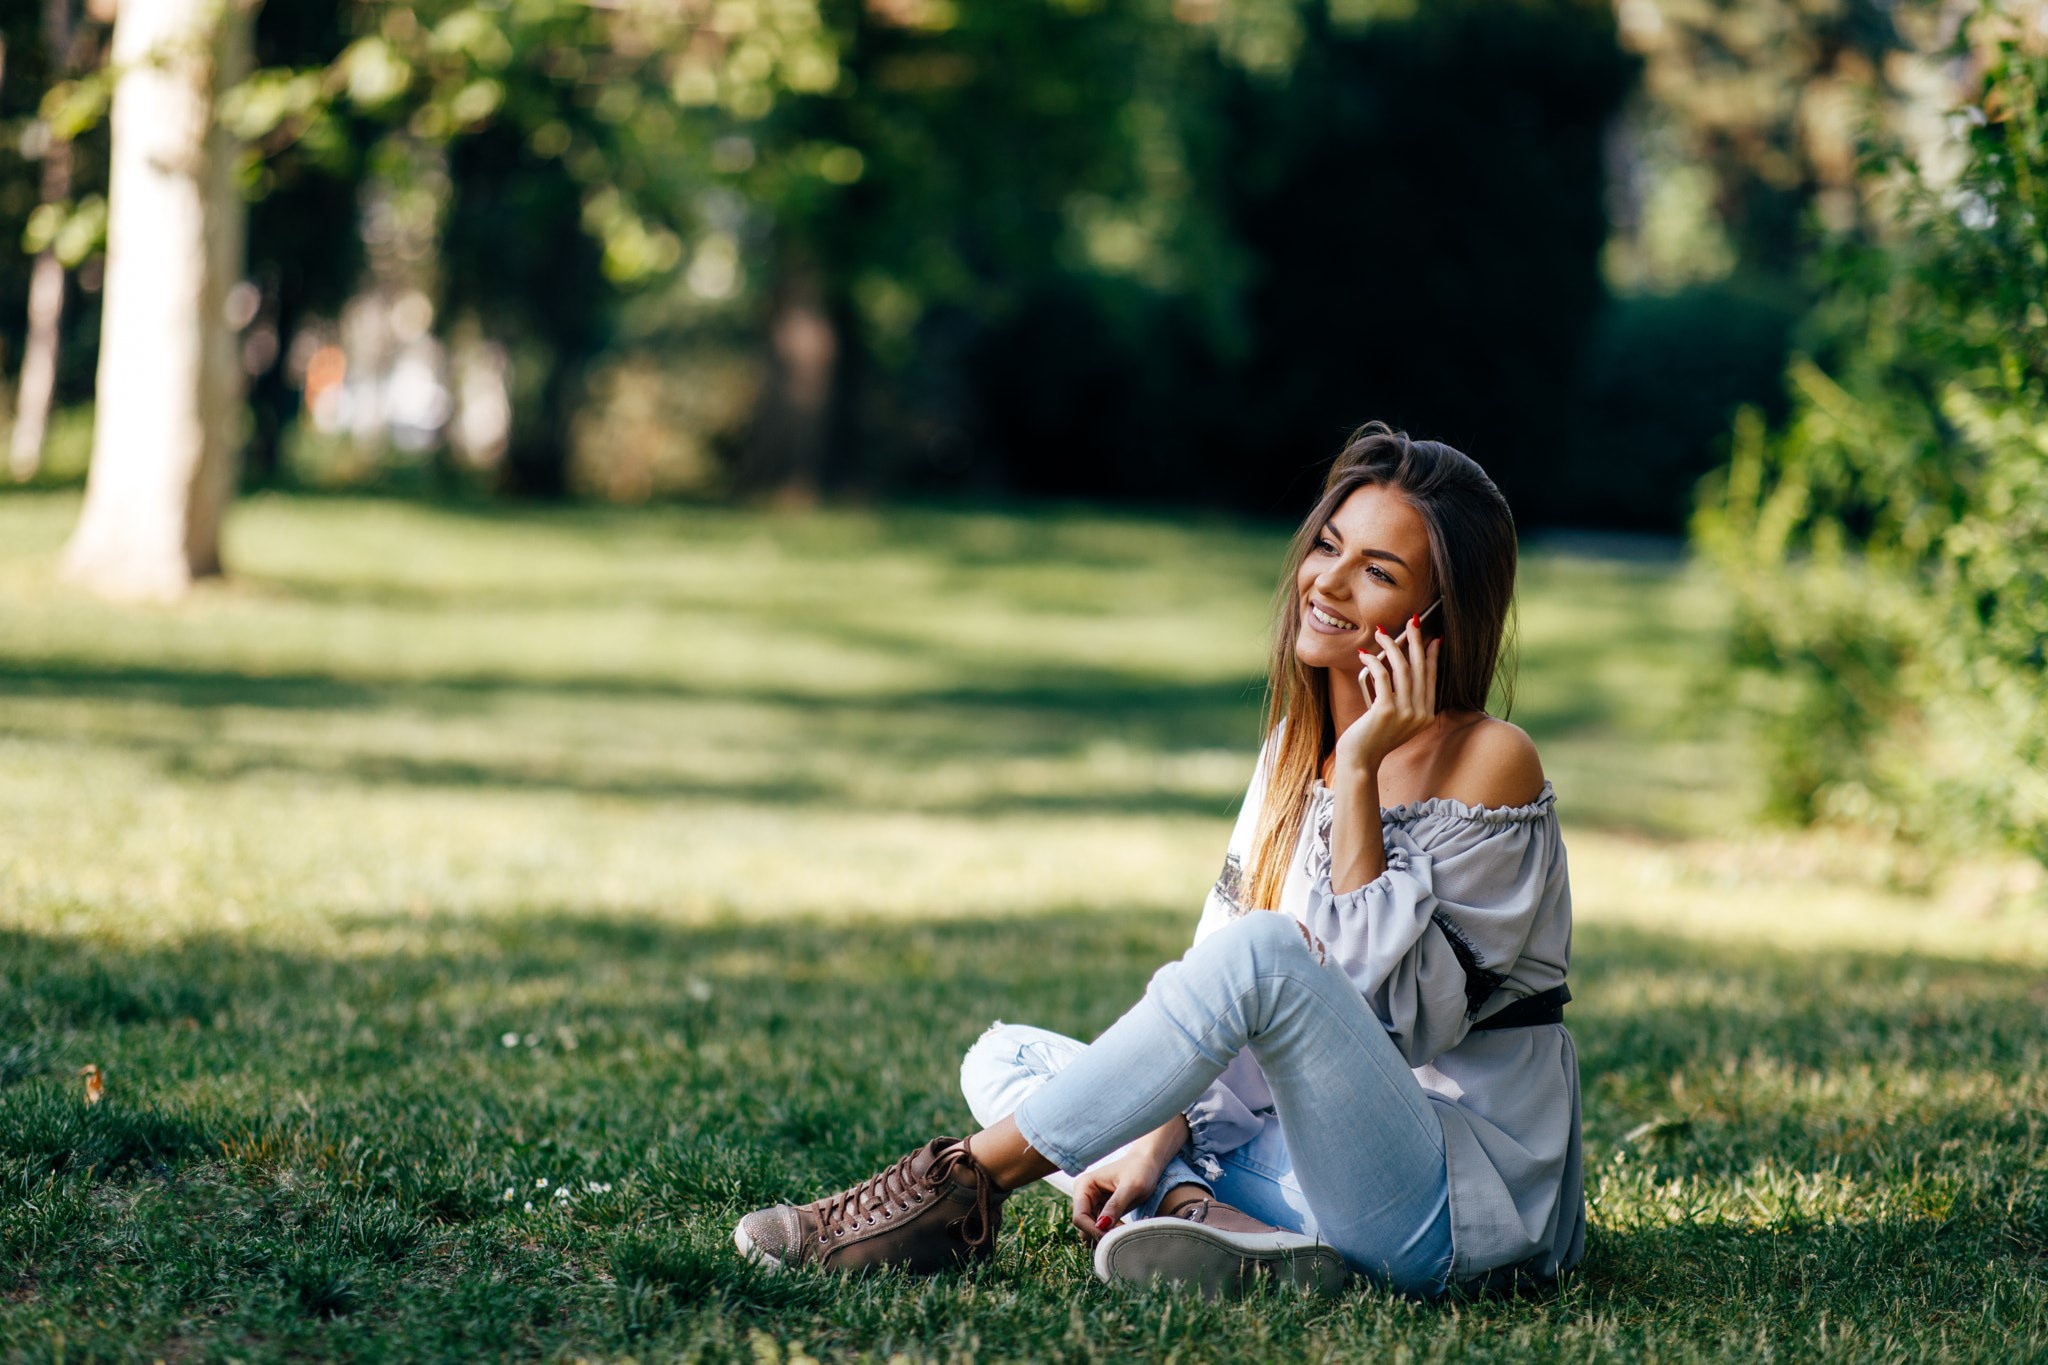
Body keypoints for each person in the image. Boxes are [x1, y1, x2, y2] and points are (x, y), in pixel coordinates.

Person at [733, 422, 1583, 1298]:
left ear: (1438, 617)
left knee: (1264, 955)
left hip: (1443, 1204)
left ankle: (953, 1189)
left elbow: (1388, 1017)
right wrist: (1162, 1129)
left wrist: (1364, 767)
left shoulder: (1491, 760)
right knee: (1004, 1058)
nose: (1325, 581)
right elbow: (1211, 982)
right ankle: (1209, 1218)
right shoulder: (1296, 750)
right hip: (1295, 1165)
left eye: (1376, 570)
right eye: (1327, 545)